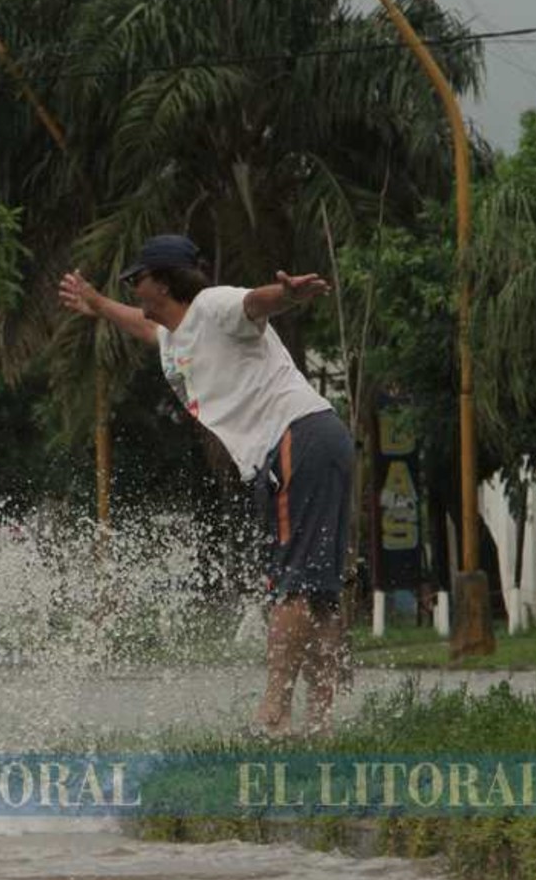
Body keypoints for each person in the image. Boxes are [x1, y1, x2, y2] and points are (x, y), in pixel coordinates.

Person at [58, 234, 353, 737]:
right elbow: (144, 328)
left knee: (294, 587)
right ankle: (321, 724)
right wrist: (98, 304)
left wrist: (288, 295)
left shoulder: (212, 306)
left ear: (163, 282)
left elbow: (254, 302)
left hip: (295, 436)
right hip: (311, 439)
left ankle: (273, 715)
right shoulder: (175, 337)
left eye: (137, 279)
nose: (132, 288)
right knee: (317, 591)